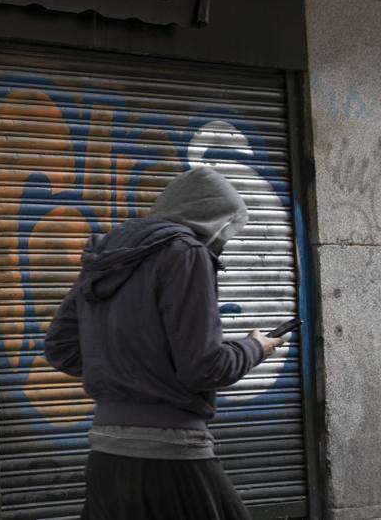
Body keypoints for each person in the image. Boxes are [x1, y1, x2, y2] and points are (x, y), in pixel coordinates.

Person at [44, 166, 288, 520]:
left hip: (106, 452)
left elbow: (61, 347)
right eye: (226, 233)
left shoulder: (108, 254)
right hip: (172, 450)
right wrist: (255, 348)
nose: (223, 244)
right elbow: (205, 367)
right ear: (216, 223)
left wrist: (128, 367)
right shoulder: (186, 253)